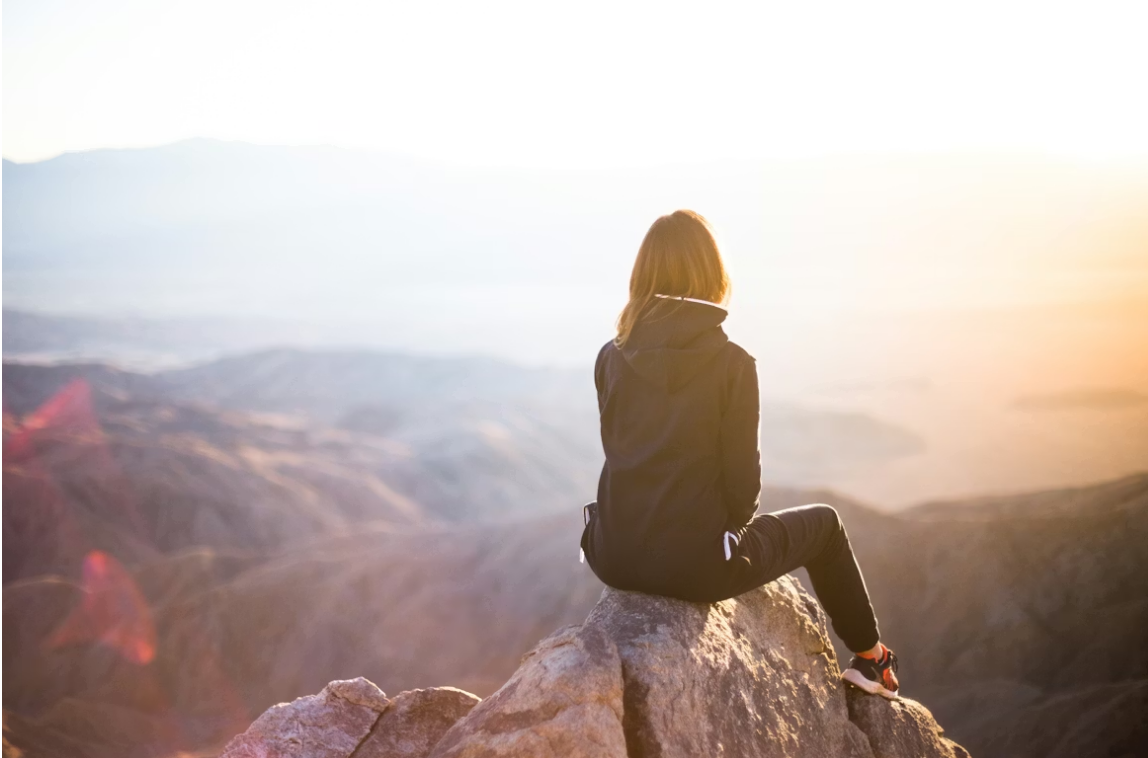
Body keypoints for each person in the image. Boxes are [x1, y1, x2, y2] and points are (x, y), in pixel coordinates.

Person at [580, 209, 900, 699]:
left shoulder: (610, 354)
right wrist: (725, 534)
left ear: (642, 275)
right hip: (697, 567)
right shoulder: (732, 364)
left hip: (612, 554)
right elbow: (743, 491)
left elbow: (621, 452)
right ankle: (871, 659)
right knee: (827, 527)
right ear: (713, 274)